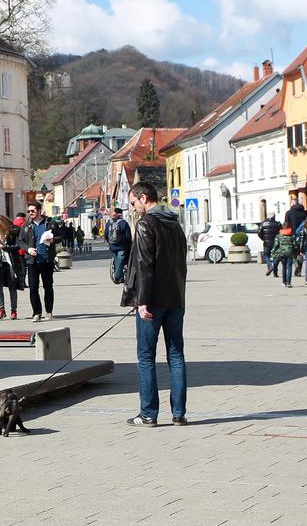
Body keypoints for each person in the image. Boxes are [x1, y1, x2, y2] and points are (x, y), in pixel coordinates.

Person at [121, 180, 187, 427]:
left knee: (146, 357)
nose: (133, 208)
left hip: (153, 301)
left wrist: (142, 300)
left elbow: (144, 265)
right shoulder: (175, 223)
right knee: (176, 355)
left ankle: (148, 413)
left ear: (144, 198)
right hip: (175, 298)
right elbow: (182, 263)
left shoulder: (147, 223)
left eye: (133, 203)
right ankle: (179, 413)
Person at [18, 202, 55, 321]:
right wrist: (28, 249)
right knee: (33, 288)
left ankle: (49, 312)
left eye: (32, 211)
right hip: (32, 261)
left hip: (46, 260)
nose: (30, 213)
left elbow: (61, 236)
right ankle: (37, 313)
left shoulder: (50, 223)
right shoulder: (26, 225)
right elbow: (20, 241)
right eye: (29, 211)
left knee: (48, 287)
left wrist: (53, 239)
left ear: (39, 211)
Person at [0, 216, 25, 319]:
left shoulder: (14, 231)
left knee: (12, 285)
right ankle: (1, 309)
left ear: (3, 225)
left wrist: (4, 247)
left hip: (11, 261)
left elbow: (18, 246)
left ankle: (13, 310)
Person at [105, 206, 133, 285]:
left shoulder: (109, 222)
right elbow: (128, 236)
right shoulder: (124, 223)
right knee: (120, 261)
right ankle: (117, 276)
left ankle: (121, 279)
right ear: (121, 214)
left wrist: (110, 242)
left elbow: (105, 235)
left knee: (117, 260)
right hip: (122, 246)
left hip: (112, 246)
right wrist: (129, 244)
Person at [271, 221, 298, 287]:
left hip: (282, 253)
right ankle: (289, 282)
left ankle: (284, 281)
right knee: (289, 267)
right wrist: (296, 252)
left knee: (284, 267)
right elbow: (295, 245)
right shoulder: (292, 235)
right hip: (290, 252)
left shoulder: (279, 235)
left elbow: (276, 245)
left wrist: (273, 252)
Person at [258, 212, 281, 276]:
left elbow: (259, 233)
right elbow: (281, 233)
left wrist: (264, 239)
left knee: (266, 256)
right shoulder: (278, 224)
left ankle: (270, 266)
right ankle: (275, 273)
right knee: (275, 256)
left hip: (266, 243)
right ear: (274, 216)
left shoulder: (263, 223)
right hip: (276, 243)